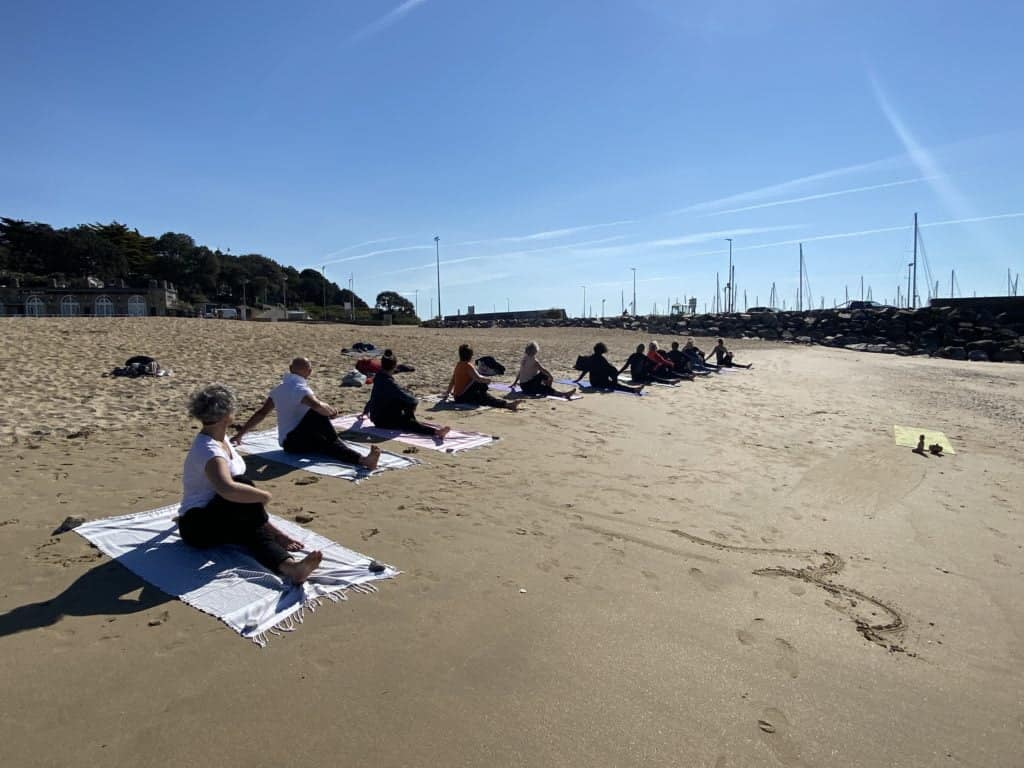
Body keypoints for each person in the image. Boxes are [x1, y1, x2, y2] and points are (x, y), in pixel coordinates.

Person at [177, 383, 322, 583]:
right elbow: (227, 489)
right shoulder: (209, 450)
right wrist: (264, 496)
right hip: (197, 527)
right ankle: (277, 537)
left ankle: (290, 567)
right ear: (225, 414)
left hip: (219, 517)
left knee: (251, 529)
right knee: (242, 485)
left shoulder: (221, 438)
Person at [232, 357, 381, 469]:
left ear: (290, 369)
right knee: (317, 414)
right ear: (308, 372)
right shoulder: (300, 389)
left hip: (289, 443)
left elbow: (261, 413)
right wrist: (331, 411)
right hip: (296, 441)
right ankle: (341, 444)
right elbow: (318, 406)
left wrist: (240, 434)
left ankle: (363, 460)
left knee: (329, 447)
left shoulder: (278, 389)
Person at [362, 353, 450, 438]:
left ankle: (409, 420)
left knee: (402, 401)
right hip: (382, 421)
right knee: (409, 413)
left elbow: (373, 397)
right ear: (393, 366)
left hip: (376, 416)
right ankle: (437, 432)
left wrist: (365, 412)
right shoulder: (389, 383)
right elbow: (411, 399)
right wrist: (412, 404)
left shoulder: (379, 376)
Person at [442, 344, 521, 410]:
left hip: (457, 397)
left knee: (483, 398)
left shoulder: (458, 365)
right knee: (481, 384)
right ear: (470, 356)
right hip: (463, 397)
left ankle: (506, 405)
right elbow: (478, 378)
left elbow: (453, 381)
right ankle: (507, 405)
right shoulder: (468, 366)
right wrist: (488, 380)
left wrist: (447, 393)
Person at [511, 341, 577, 399]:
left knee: (543, 377)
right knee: (544, 375)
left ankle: (547, 389)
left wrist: (514, 382)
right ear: (535, 351)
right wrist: (551, 377)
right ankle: (564, 394)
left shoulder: (524, 358)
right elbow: (543, 370)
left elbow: (520, 371)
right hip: (529, 387)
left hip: (523, 386)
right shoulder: (534, 361)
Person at [573, 342, 644, 394]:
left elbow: (585, 370)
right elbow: (611, 371)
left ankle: (634, 389)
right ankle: (634, 390)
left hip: (593, 382)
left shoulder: (591, 358)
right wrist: (614, 381)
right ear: (602, 351)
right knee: (617, 386)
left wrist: (578, 380)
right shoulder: (602, 360)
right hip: (600, 383)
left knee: (615, 384)